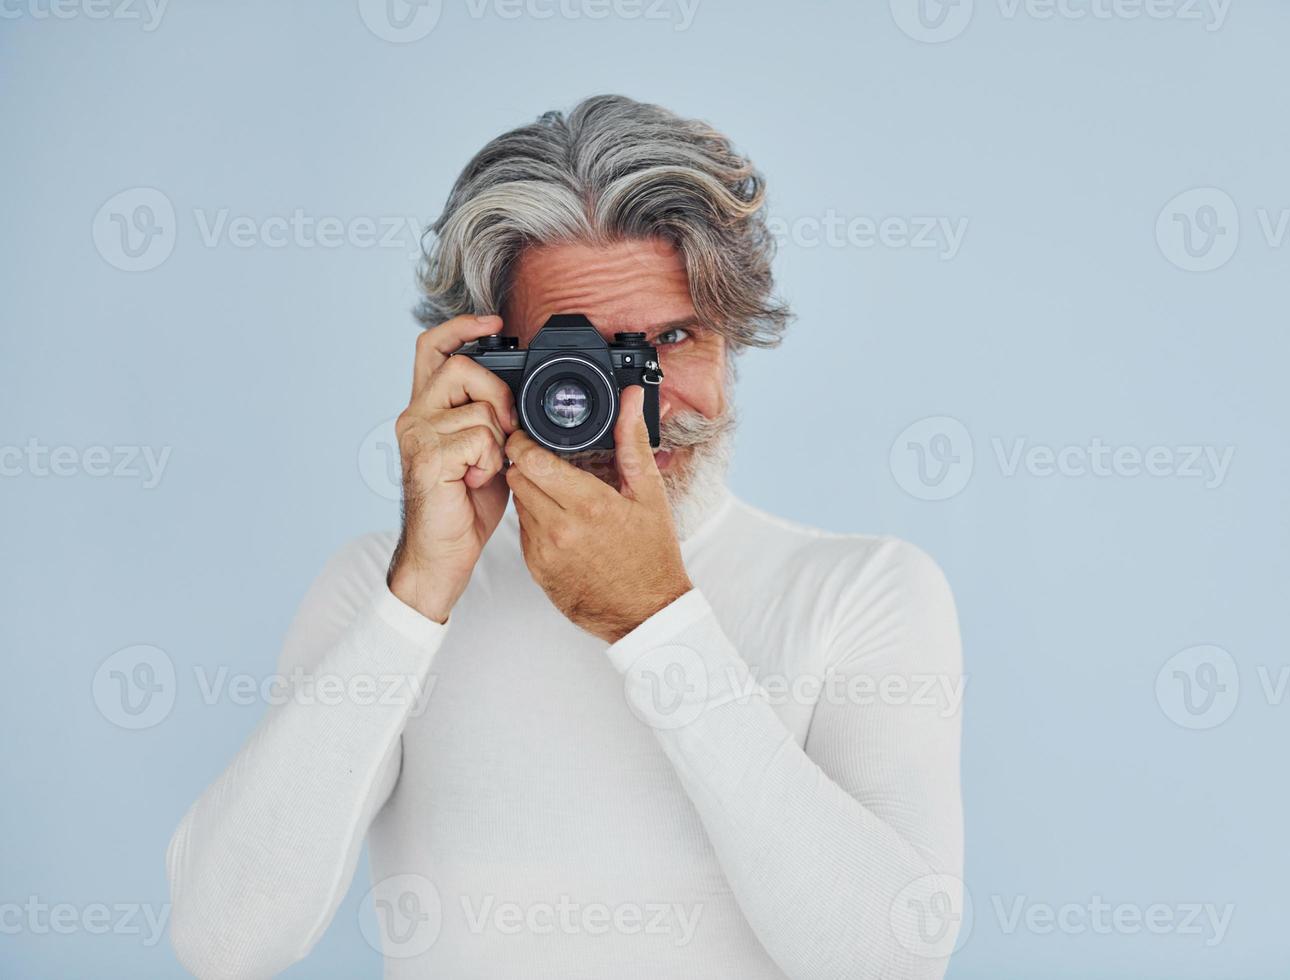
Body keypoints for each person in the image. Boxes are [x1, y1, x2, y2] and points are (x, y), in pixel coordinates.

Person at [166, 94, 965, 980]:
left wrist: (657, 620)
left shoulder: (862, 592)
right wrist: (419, 594)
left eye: (671, 337)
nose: (638, 401)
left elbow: (894, 960)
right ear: (489, 362)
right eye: (576, 352)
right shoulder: (381, 589)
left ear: (733, 339)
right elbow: (222, 943)